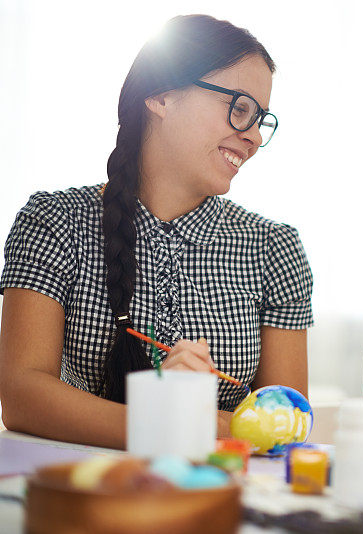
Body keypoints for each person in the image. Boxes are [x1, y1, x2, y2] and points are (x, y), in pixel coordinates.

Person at [0, 15, 312, 449]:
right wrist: (178, 422)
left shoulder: (274, 247)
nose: (255, 137)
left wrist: (190, 420)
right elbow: (21, 397)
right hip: (82, 489)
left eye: (261, 119)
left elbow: (287, 420)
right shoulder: (54, 220)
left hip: (218, 493)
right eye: (240, 109)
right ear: (162, 96)